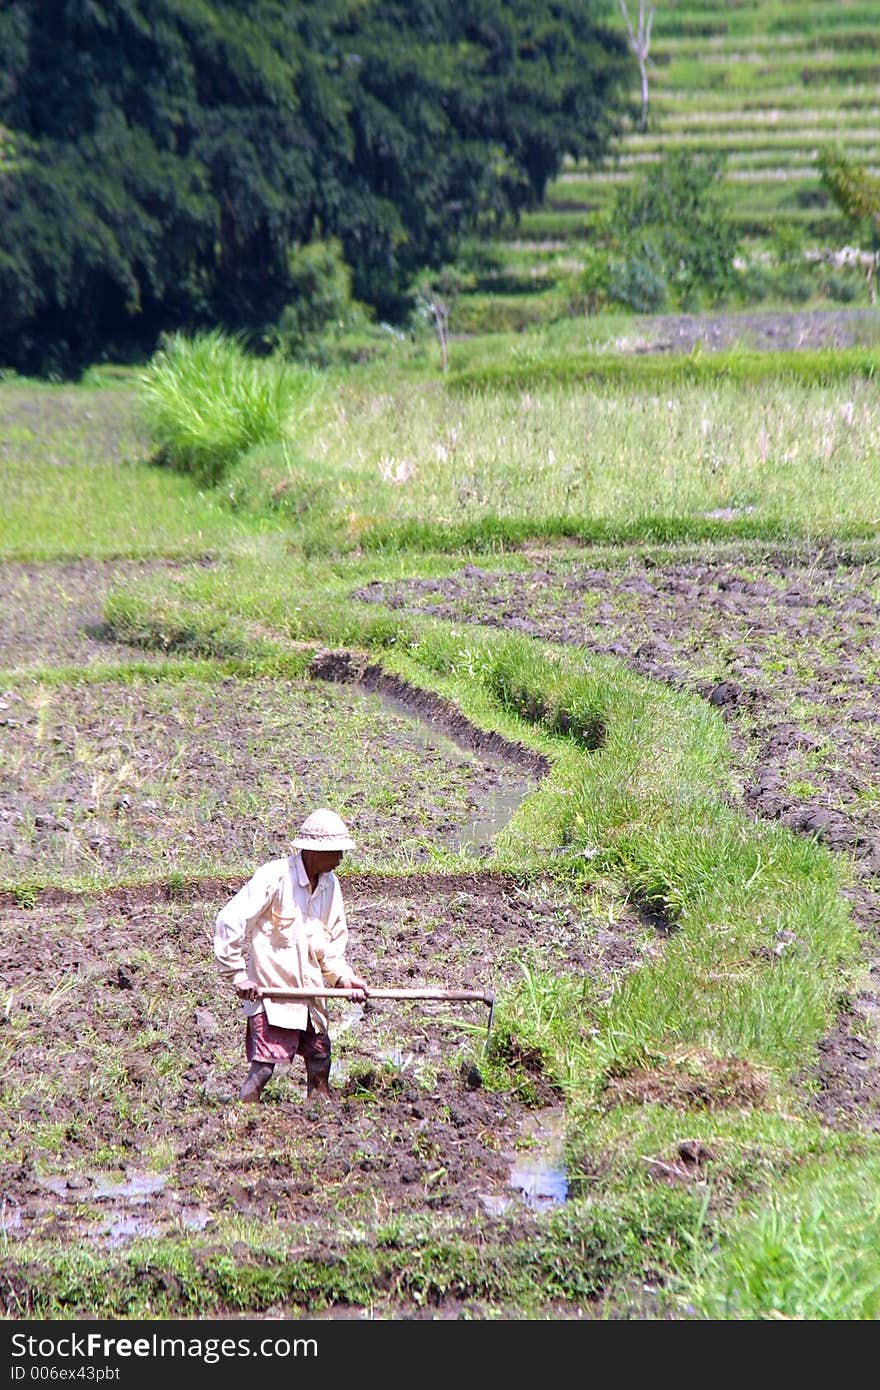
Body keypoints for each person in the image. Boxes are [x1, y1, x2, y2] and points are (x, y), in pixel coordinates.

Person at [214, 807, 369, 1104]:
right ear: (313, 850)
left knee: (320, 1063)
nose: (339, 859)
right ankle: (242, 1122)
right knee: (262, 1072)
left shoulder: (329, 885)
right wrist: (237, 975)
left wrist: (345, 980)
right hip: (274, 995)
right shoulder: (274, 877)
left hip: (310, 995)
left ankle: (321, 1124)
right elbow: (229, 920)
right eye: (334, 851)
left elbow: (331, 946)